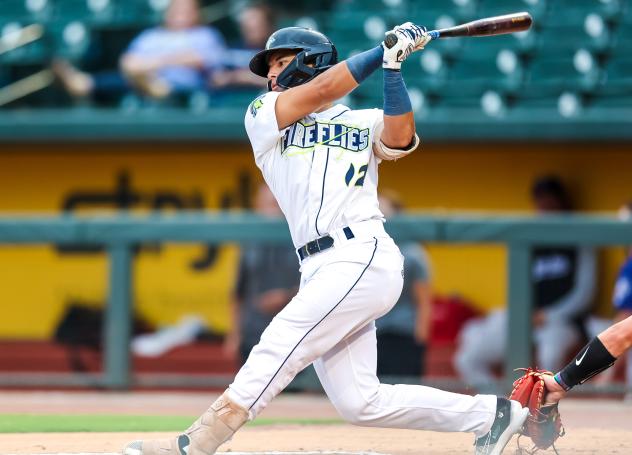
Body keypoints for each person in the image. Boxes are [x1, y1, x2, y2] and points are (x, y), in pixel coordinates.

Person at [123, 23, 529, 455]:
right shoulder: (264, 114)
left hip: (361, 254)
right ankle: (495, 415)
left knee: (281, 340)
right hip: (317, 266)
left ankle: (201, 441)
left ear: (309, 61)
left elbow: (400, 137)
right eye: (271, 66)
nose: (272, 73)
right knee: (361, 402)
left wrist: (393, 68)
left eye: (281, 62)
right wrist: (381, 50)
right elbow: (319, 93)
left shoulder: (361, 121)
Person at [455, 175, 597, 393]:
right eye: (541, 201)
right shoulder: (529, 239)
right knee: (468, 357)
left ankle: (542, 412)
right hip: (524, 319)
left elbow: (585, 292)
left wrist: (548, 315)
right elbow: (517, 287)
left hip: (561, 322)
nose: (546, 206)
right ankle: (504, 405)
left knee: (549, 355)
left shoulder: (580, 238)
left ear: (562, 202)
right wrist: (525, 313)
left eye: (551, 201)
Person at [54, 0, 226, 102]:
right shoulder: (152, 35)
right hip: (142, 80)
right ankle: (82, 83)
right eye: (176, 8)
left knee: (145, 79)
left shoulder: (205, 34)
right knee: (129, 75)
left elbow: (198, 60)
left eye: (186, 9)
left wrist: (153, 63)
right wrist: (166, 62)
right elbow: (127, 62)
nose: (180, 14)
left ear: (196, 12)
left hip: (183, 89)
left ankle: (86, 84)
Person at [223, 182, 300, 366]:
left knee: (294, 392)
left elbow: (319, 285)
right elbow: (238, 292)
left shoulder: (299, 238)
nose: (271, 210)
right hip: (253, 332)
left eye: (275, 203)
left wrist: (286, 296)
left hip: (292, 333)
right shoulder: (249, 244)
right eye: (266, 203)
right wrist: (234, 334)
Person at [376, 190, 432, 378]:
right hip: (375, 329)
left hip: (404, 331)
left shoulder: (413, 252)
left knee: (404, 386)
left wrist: (420, 338)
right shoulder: (371, 247)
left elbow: (424, 300)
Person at [209, 2, 273, 91]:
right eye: (248, 27)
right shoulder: (230, 49)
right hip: (228, 99)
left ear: (268, 25)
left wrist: (249, 77)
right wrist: (234, 77)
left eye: (258, 26)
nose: (252, 29)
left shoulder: (276, 51)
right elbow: (214, 80)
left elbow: (282, 82)